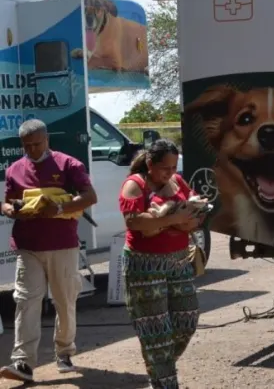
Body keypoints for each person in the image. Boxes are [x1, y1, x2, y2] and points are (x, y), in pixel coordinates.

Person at [0, 119, 98, 382]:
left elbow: (90, 196)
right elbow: (7, 203)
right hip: (27, 246)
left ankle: (64, 351)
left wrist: (59, 209)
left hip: (62, 244)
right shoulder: (14, 170)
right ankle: (23, 363)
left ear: (47, 140)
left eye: (37, 144)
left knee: (64, 300)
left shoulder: (68, 164)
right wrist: (9, 209)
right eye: (27, 146)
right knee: (26, 300)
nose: (32, 150)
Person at [117, 138, 202, 389]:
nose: (171, 173)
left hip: (177, 262)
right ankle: (164, 381)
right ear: (150, 164)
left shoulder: (177, 182)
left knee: (187, 321)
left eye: (174, 167)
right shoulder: (135, 184)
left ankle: (159, 364)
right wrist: (175, 218)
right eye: (166, 168)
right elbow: (135, 222)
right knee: (157, 334)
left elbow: (197, 211)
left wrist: (187, 220)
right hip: (144, 267)